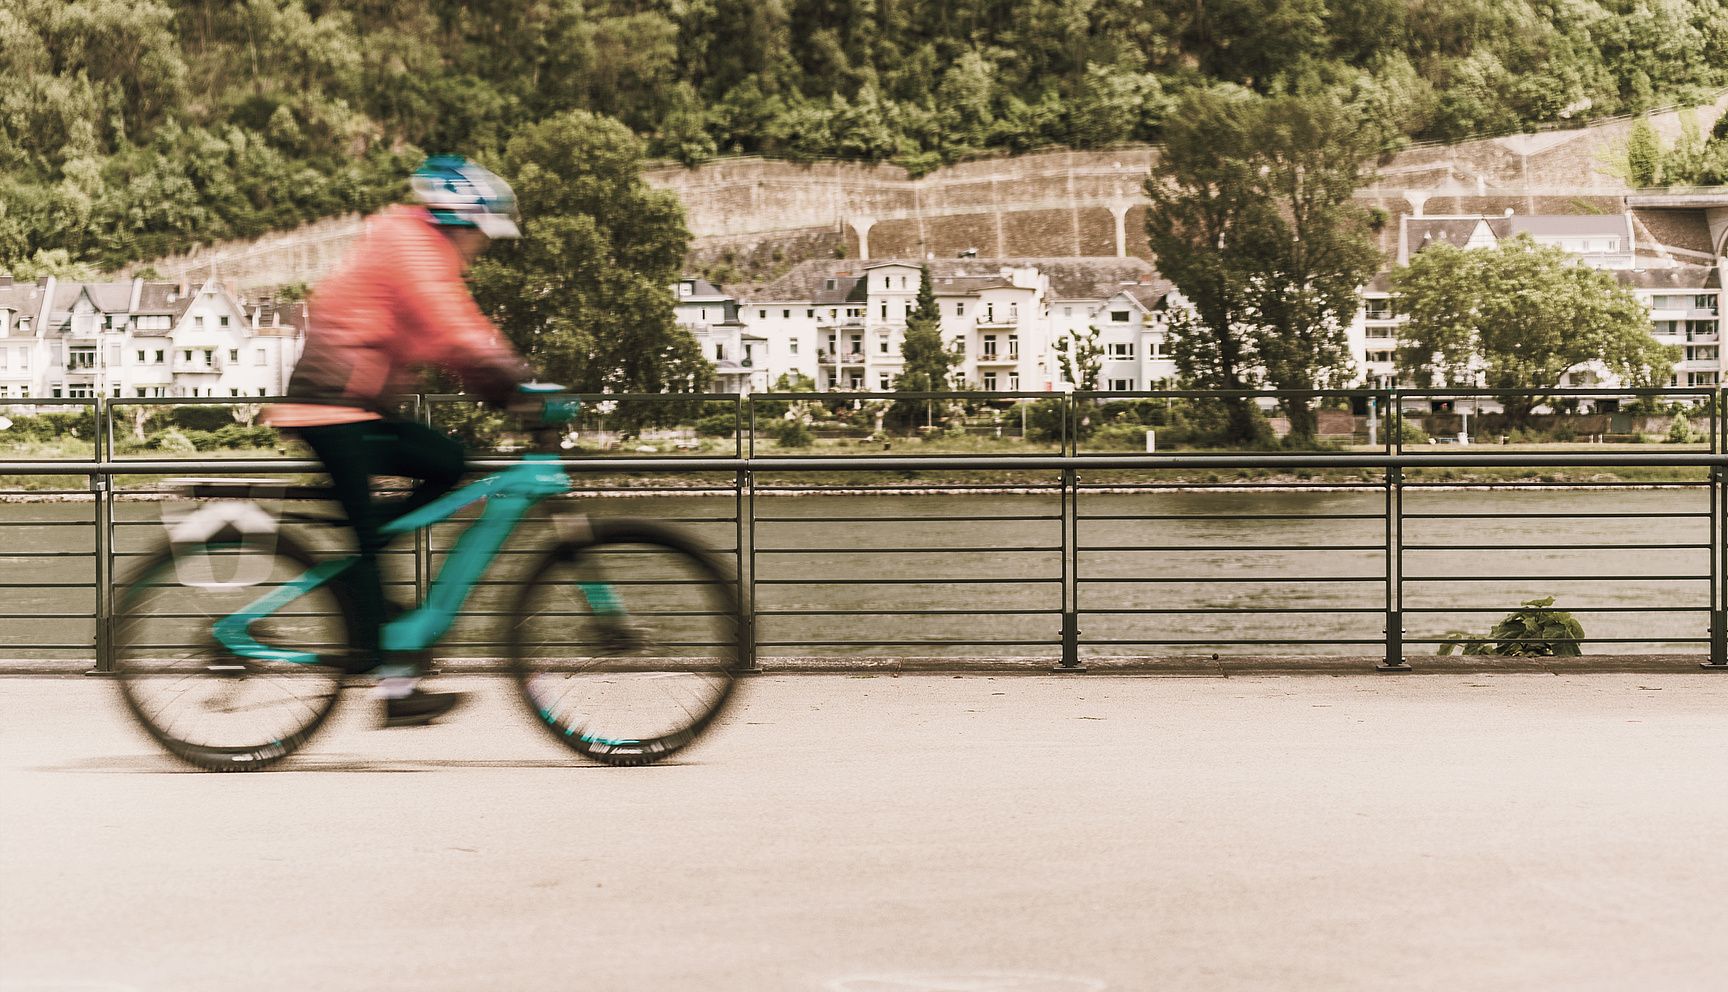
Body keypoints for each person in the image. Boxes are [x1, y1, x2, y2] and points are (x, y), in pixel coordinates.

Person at [264, 156, 535, 726]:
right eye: (481, 232)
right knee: (368, 540)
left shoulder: (424, 250)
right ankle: (391, 682)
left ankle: (369, 557)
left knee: (447, 461)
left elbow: (450, 336)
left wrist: (505, 381)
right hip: (328, 407)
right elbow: (449, 326)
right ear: (458, 219)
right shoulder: (410, 246)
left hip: (358, 409)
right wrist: (514, 386)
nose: (482, 245)